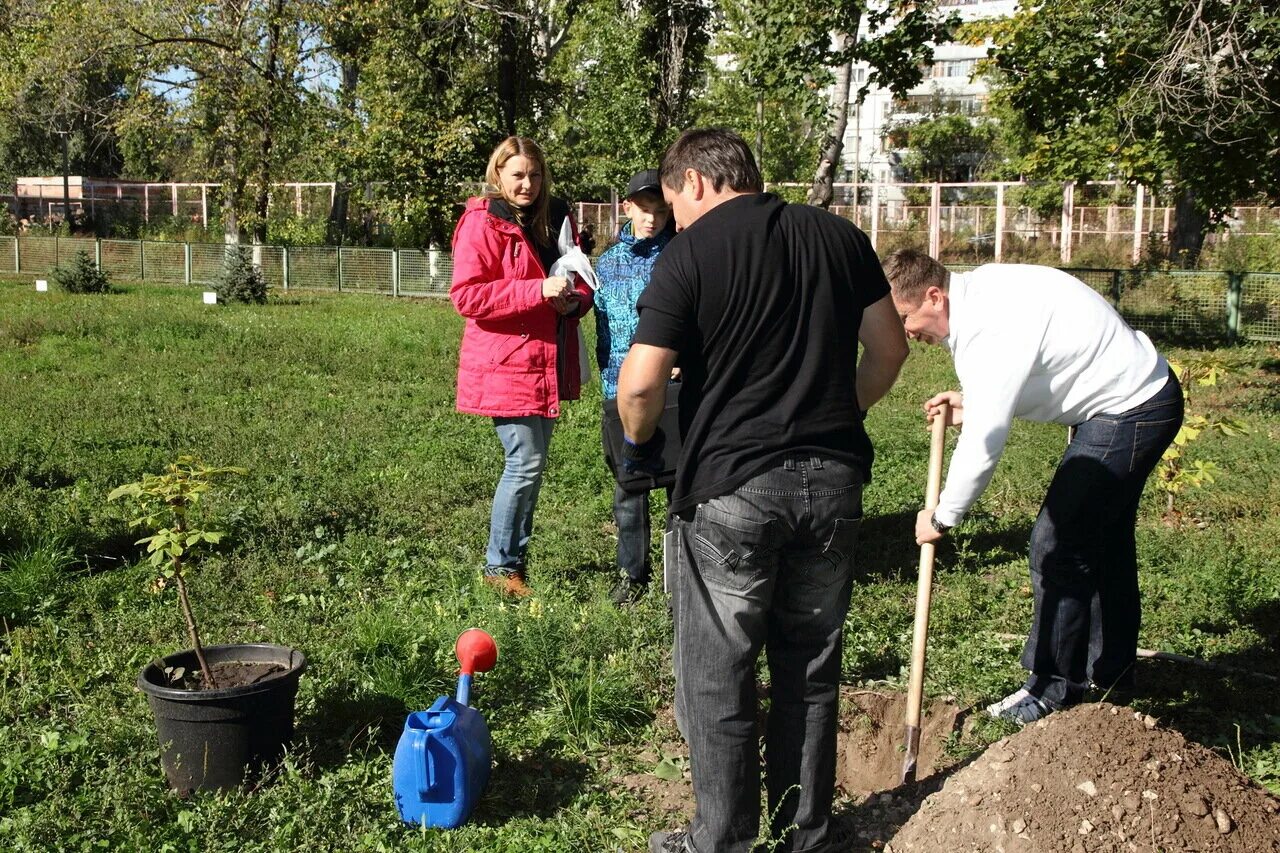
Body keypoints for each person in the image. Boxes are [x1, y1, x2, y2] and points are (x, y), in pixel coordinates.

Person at [617, 129, 908, 853]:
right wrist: (843, 411)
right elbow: (891, 347)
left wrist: (644, 441)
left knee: (719, 671)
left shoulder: (690, 252)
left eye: (674, 200)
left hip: (732, 488)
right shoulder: (840, 238)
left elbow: (641, 383)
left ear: (694, 182)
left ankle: (720, 841)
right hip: (833, 482)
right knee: (809, 663)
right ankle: (806, 833)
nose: (673, 215)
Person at [881, 249, 1184, 725]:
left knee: (1057, 544)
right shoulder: (982, 292)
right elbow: (1031, 363)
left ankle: (1051, 688)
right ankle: (1110, 674)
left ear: (933, 296)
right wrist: (977, 400)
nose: (907, 332)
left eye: (905, 317)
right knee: (1100, 543)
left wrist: (942, 515)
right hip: (1137, 397)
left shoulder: (987, 327)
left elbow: (984, 444)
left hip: (1131, 409)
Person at [449, 136, 595, 598]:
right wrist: (537, 291)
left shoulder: (555, 217)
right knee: (525, 461)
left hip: (546, 358)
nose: (527, 184)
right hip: (507, 361)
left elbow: (577, 276)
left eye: (534, 174)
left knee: (531, 464)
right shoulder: (482, 223)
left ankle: (513, 561)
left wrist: (574, 302)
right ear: (498, 176)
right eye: (517, 175)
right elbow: (467, 296)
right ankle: (499, 568)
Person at [594, 169, 677, 606]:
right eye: (645, 211)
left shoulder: (681, 254)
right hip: (618, 388)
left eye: (661, 211)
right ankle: (632, 574)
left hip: (672, 386)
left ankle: (680, 573)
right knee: (629, 484)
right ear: (627, 208)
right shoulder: (606, 264)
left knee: (679, 482)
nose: (652, 220)